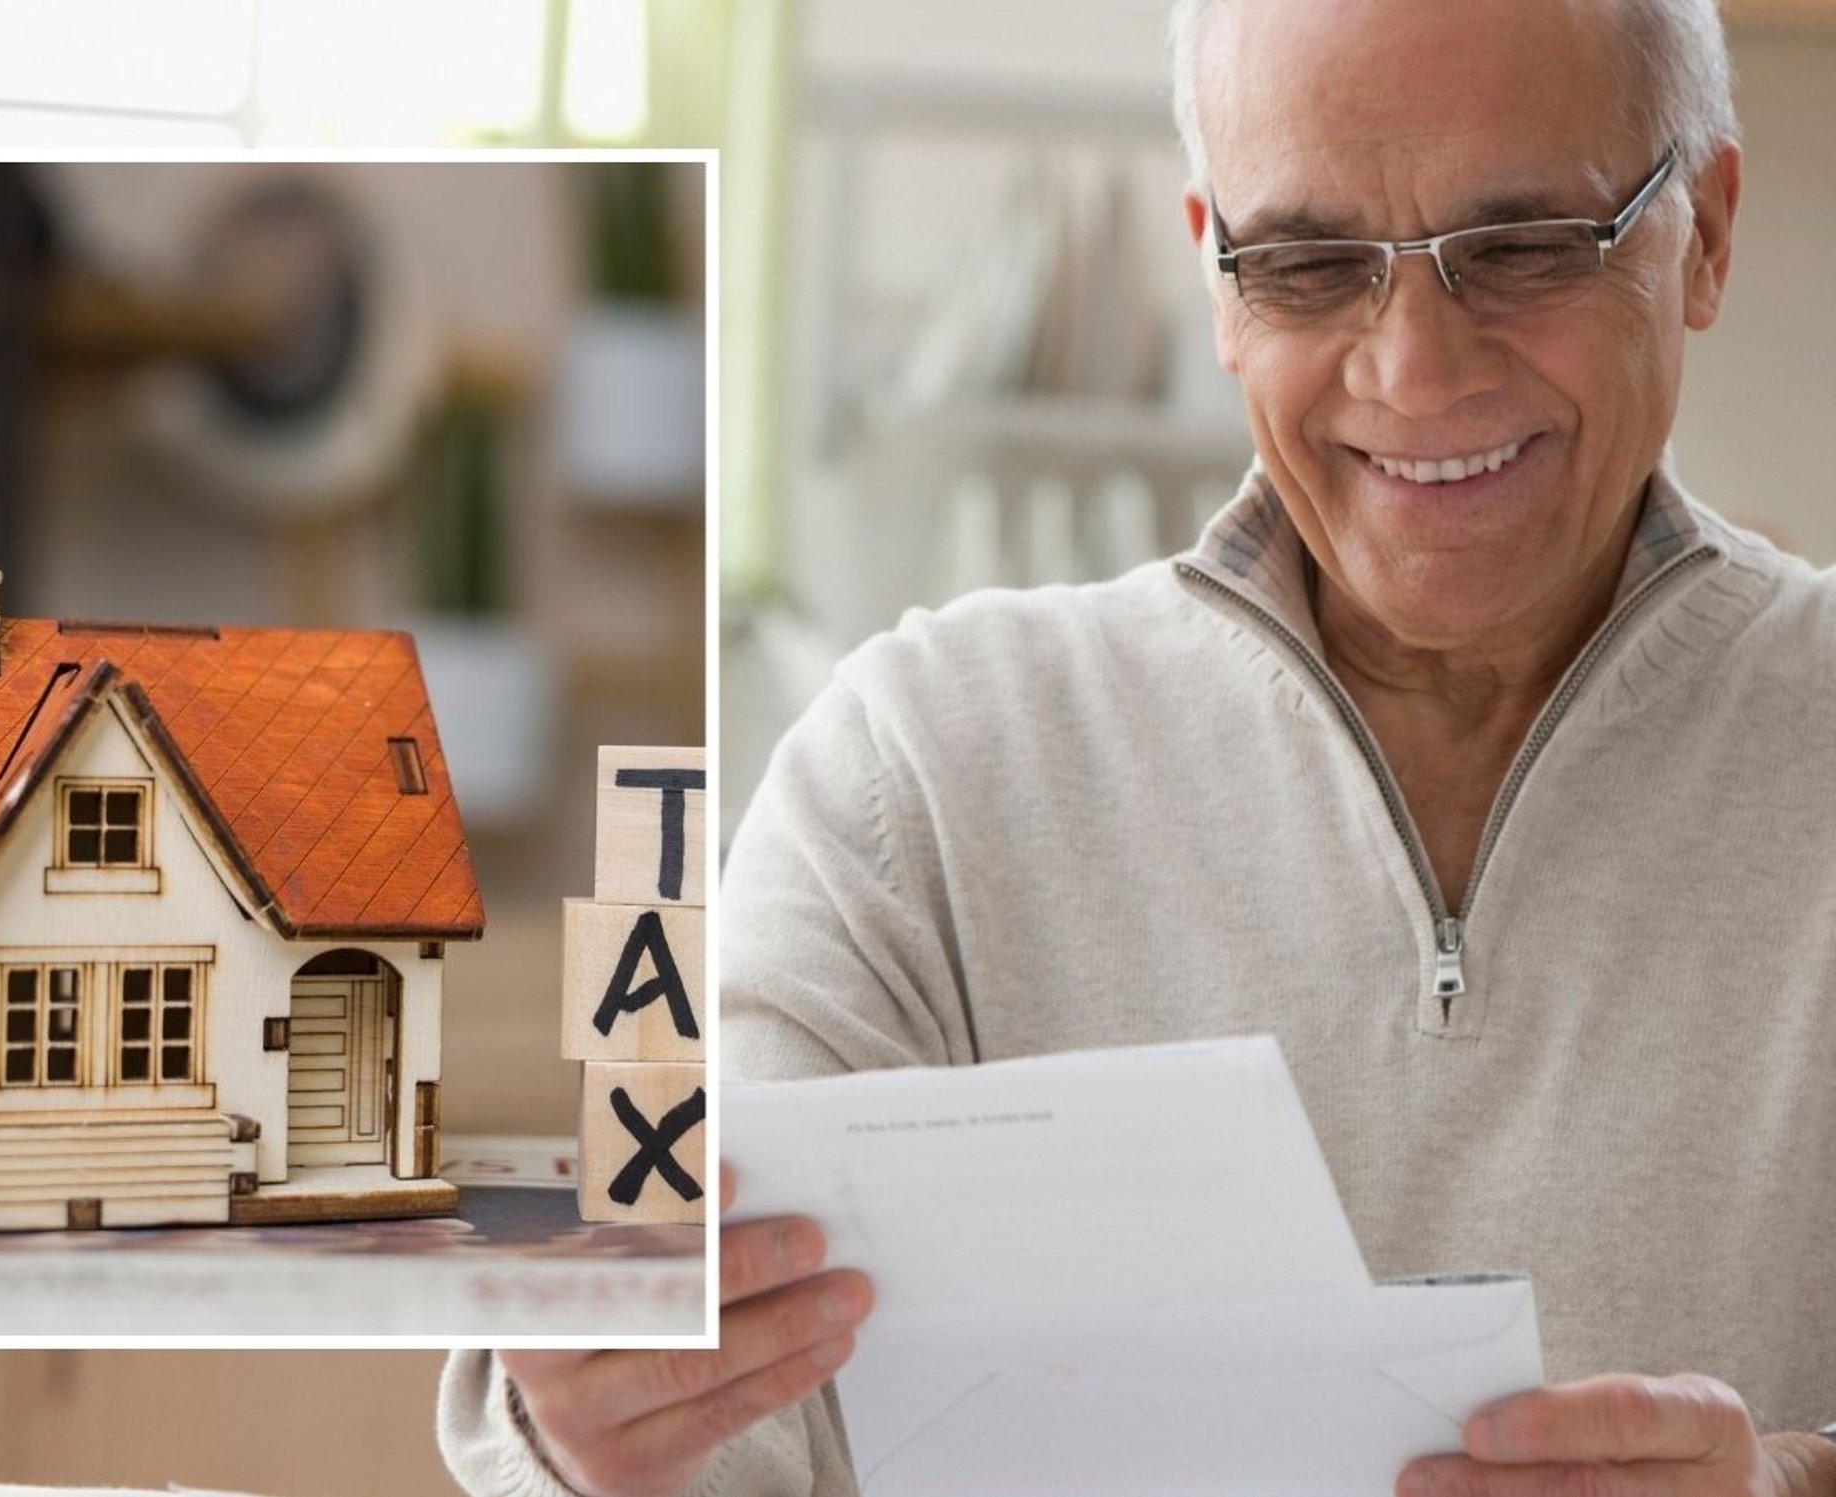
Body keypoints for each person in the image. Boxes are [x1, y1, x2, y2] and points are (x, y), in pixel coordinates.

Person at [440, 0, 1836, 1491]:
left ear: (1706, 233)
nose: (1415, 370)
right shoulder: (917, 770)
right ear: (1221, 281)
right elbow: (710, 1419)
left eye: (1522, 246)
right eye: (1306, 266)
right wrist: (585, 1429)